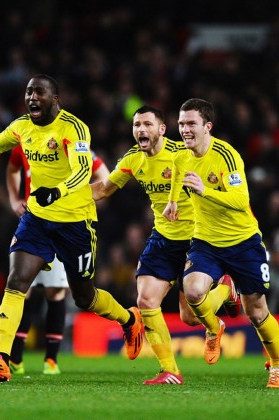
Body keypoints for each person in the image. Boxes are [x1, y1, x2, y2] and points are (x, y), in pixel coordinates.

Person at [0, 74, 144, 382]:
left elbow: (83, 169)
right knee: (16, 281)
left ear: (54, 99)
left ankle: (128, 318)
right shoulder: (22, 126)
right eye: (29, 92)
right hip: (38, 219)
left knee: (84, 296)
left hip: (75, 221)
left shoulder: (73, 127)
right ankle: (3, 358)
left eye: (39, 92)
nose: (32, 97)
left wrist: (57, 191)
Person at [92, 105, 241, 385]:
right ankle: (169, 369)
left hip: (196, 237)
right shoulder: (133, 159)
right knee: (146, 300)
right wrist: (64, 196)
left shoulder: (181, 154)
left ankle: (224, 291)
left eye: (147, 124)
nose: (140, 130)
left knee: (189, 316)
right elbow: (103, 189)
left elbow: (217, 185)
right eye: (137, 125)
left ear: (162, 130)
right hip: (163, 237)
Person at [163, 98, 279, 388]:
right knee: (192, 291)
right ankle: (215, 328)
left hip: (244, 242)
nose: (185, 129)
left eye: (191, 123)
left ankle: (277, 364)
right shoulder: (181, 157)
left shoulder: (226, 156)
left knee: (256, 311)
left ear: (207, 126)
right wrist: (173, 202)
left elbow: (241, 200)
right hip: (206, 241)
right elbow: (179, 177)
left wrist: (205, 191)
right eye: (181, 123)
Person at [7, 146, 109, 375]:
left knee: (56, 291)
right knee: (22, 290)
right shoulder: (26, 141)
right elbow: (13, 167)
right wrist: (14, 199)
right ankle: (15, 358)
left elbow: (104, 175)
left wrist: (82, 203)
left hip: (64, 227)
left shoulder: (76, 147)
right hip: (34, 226)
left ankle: (51, 359)